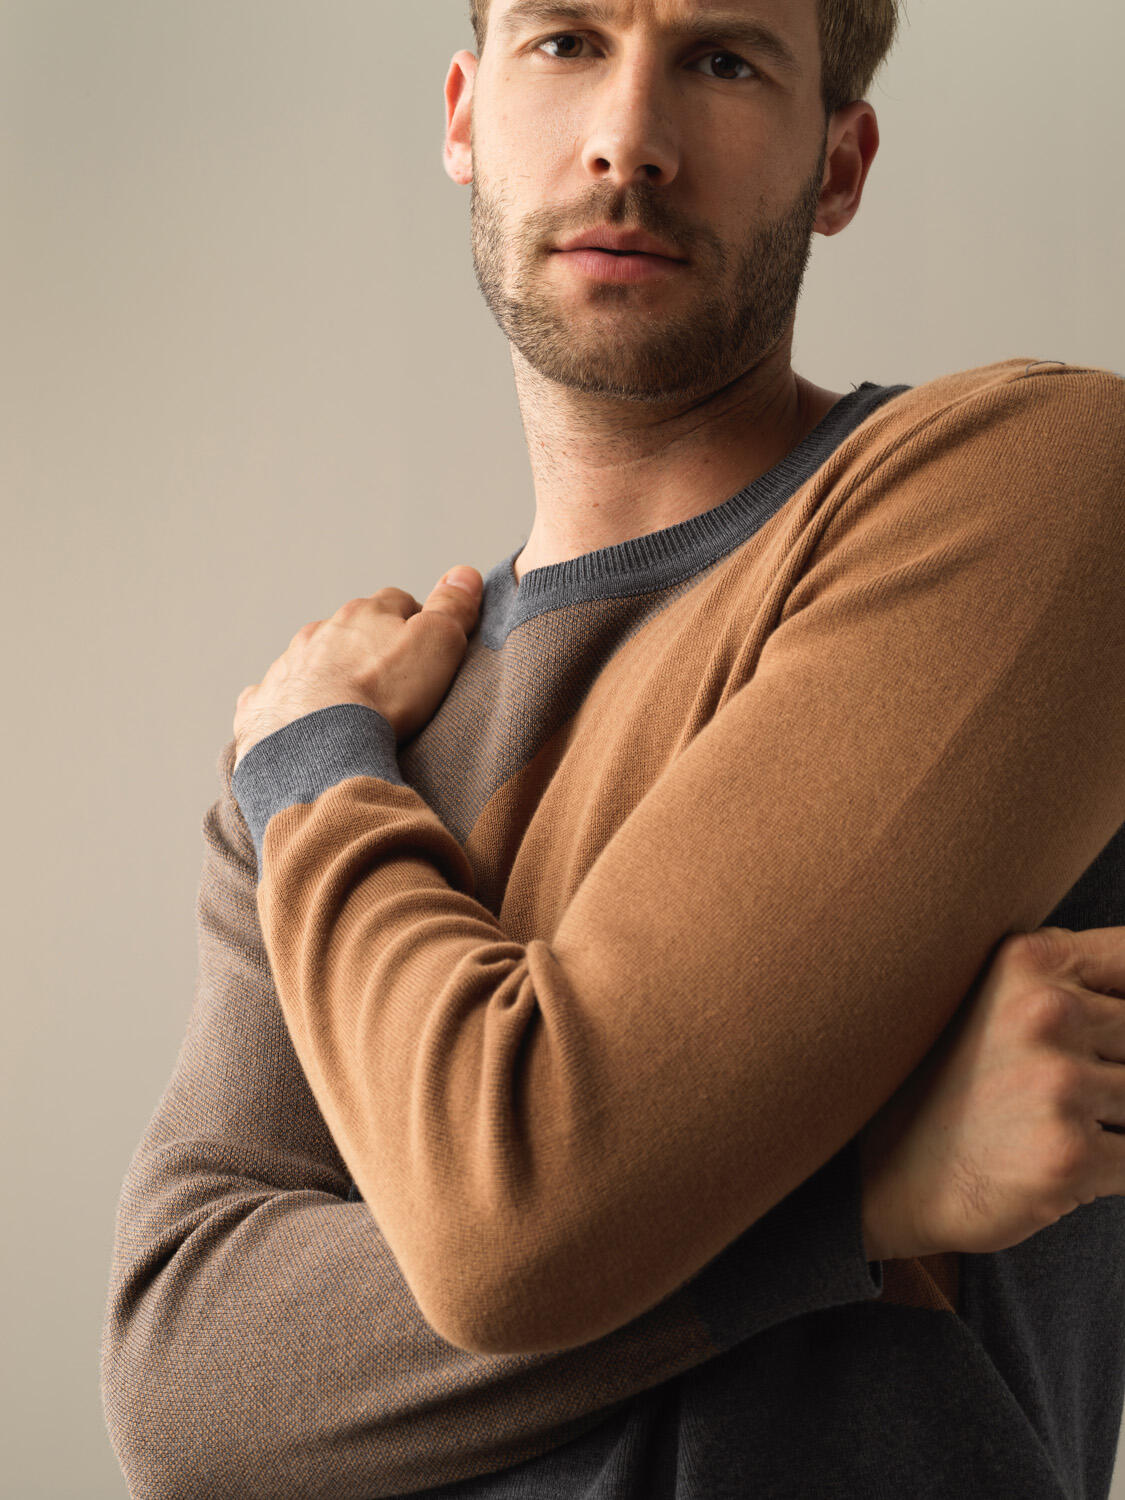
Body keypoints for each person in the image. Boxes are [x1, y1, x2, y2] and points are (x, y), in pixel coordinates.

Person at [101, 1, 1125, 1496]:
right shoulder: (352, 736)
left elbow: (516, 1216)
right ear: (464, 117)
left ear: (838, 165)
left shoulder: (1024, 491)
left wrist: (310, 774)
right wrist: (849, 1198)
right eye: (567, 41)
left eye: (722, 61)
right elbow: (186, 1383)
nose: (628, 141)